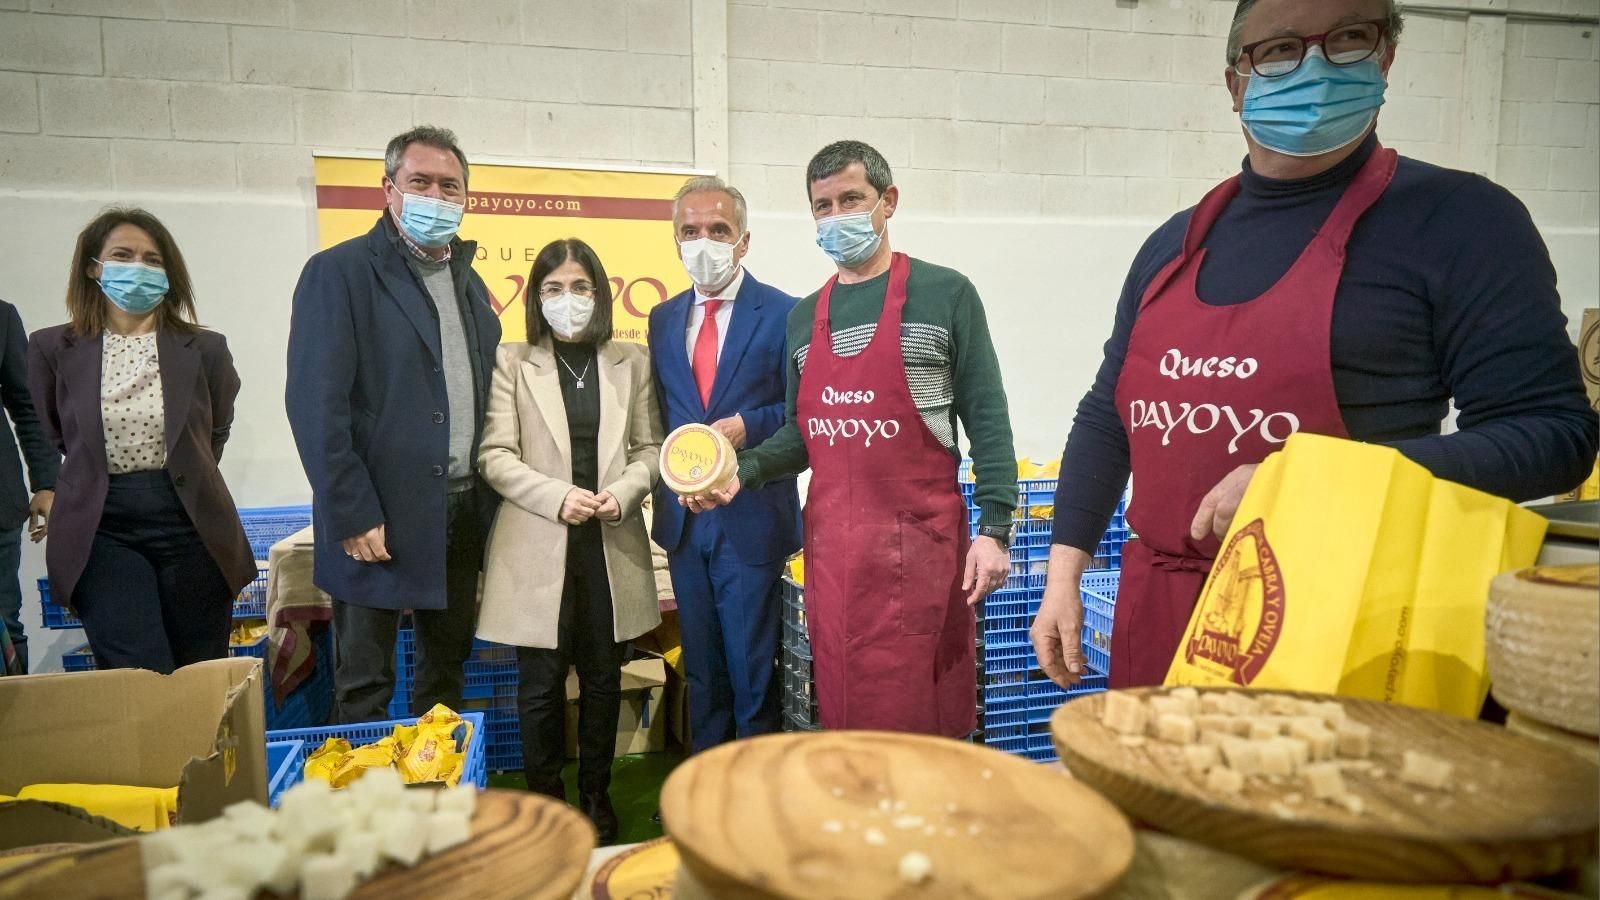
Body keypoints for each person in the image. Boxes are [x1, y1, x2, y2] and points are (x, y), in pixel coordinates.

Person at [1031, 0, 1600, 692]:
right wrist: (1065, 571)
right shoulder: (1172, 245)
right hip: (1162, 611)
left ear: (1385, 56)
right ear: (1236, 81)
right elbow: (1106, 416)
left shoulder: (1462, 223)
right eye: (1278, 50)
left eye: (1347, 39)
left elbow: (1554, 434)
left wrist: (1308, 479)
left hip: (1340, 618)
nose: (1314, 66)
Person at [692, 141, 1018, 738]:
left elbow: (987, 416)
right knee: (849, 721)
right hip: (837, 561)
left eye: (851, 199)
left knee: (924, 727)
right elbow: (801, 435)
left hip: (923, 556)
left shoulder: (945, 294)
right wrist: (740, 471)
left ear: (887, 202)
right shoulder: (804, 317)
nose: (835, 215)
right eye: (822, 206)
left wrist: (996, 528)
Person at [286, 126, 501, 722]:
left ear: (466, 198)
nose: (436, 195)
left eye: (449, 185)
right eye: (421, 182)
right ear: (389, 189)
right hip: (375, 517)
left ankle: (433, 802)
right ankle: (368, 813)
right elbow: (314, 405)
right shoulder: (341, 272)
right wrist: (352, 511)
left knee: (443, 677)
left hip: (459, 514)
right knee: (365, 685)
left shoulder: (470, 281)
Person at [476, 239, 663, 845]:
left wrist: (627, 489)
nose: (567, 300)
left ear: (600, 294)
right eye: (553, 289)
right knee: (540, 687)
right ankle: (546, 803)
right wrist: (556, 495)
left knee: (605, 680)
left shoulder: (631, 360)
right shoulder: (513, 360)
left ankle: (596, 794)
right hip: (538, 543)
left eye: (580, 287)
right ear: (535, 297)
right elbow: (495, 455)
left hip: (609, 543)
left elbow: (649, 449)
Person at [27, 207, 255, 673]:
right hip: (101, 524)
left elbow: (214, 430)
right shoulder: (51, 348)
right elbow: (53, 430)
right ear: (94, 267)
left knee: (201, 670)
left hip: (190, 519)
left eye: (153, 260)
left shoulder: (206, 349)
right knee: (139, 670)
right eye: (123, 255)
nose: (139, 268)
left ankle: (204, 750)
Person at [647, 177, 801, 750]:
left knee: (754, 672)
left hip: (752, 517)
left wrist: (746, 426)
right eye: (690, 232)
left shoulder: (787, 313)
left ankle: (754, 803)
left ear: (744, 241)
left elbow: (802, 412)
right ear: (675, 240)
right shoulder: (663, 319)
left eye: (718, 230)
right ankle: (706, 793)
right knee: (703, 669)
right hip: (686, 522)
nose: (703, 242)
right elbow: (664, 412)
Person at [0, 298, 60, 673]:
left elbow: (28, 406)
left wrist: (47, 483)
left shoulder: (2, 316)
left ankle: (16, 730)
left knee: (5, 622)